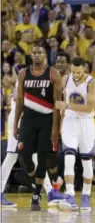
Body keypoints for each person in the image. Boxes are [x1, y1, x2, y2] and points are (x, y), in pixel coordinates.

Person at [1, 68, 64, 207]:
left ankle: (50, 193)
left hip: (30, 119)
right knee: (12, 156)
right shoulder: (26, 80)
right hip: (20, 119)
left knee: (37, 156)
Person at [13, 44, 64, 211]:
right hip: (28, 119)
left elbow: (57, 105)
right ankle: (43, 180)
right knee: (23, 154)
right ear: (30, 55)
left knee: (43, 156)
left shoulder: (53, 73)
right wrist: (15, 124)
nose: (36, 55)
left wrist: (56, 128)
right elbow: (20, 102)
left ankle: (36, 193)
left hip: (47, 119)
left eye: (39, 52)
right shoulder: (23, 74)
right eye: (34, 52)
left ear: (45, 55)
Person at [56, 57, 95, 211]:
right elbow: (61, 107)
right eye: (73, 71)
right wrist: (60, 125)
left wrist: (67, 105)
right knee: (68, 158)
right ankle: (70, 195)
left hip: (86, 123)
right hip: (69, 122)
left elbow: (89, 108)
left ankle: (86, 195)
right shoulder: (65, 79)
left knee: (87, 161)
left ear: (84, 69)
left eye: (78, 72)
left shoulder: (92, 83)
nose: (75, 75)